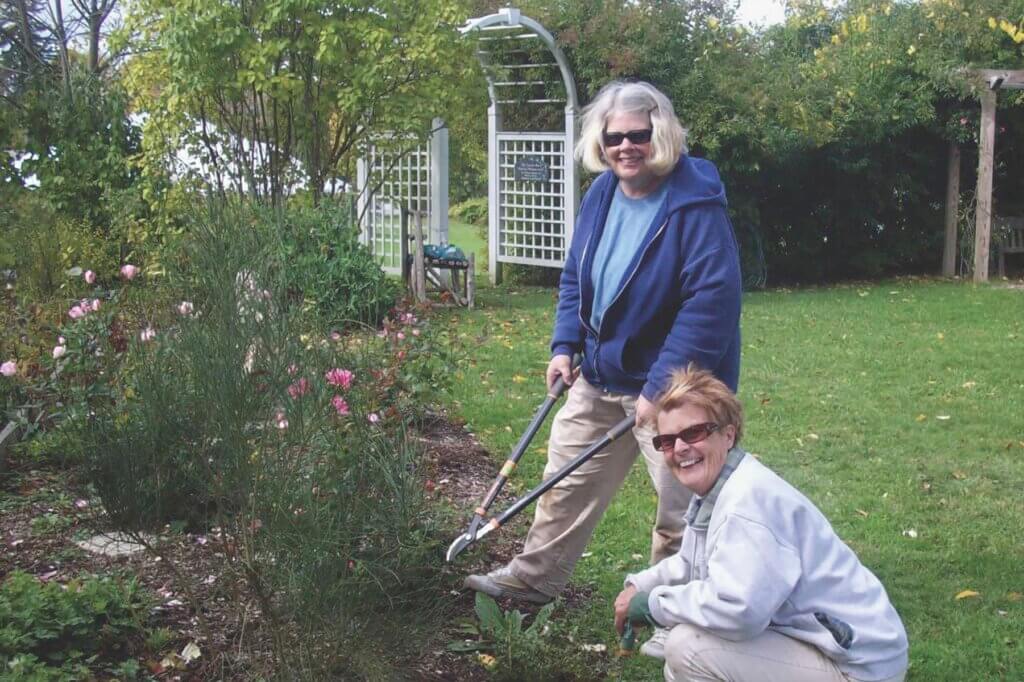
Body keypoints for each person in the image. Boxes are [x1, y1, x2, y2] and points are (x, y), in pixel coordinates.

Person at [465, 80, 742, 628]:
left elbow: (711, 302)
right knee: (565, 484)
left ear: (660, 133)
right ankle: (532, 580)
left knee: (682, 505)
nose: (626, 147)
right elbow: (576, 277)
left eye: (639, 135)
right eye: (615, 137)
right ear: (601, 140)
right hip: (599, 375)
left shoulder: (694, 202)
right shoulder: (602, 194)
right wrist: (565, 344)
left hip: (676, 389)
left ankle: (675, 610)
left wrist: (659, 388)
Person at [614, 366, 909, 682]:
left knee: (689, 649)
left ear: (728, 434)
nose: (680, 448)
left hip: (857, 668)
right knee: (684, 660)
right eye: (668, 441)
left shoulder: (747, 503)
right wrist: (641, 584)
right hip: (832, 647)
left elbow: (738, 611)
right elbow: (689, 563)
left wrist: (653, 605)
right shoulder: (719, 489)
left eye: (694, 433)